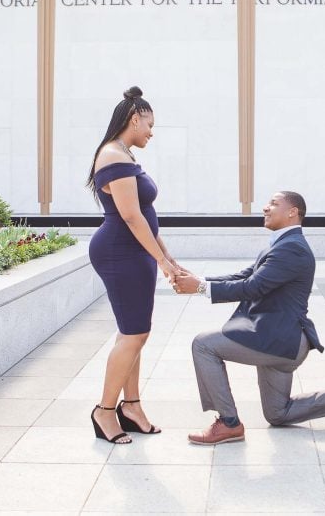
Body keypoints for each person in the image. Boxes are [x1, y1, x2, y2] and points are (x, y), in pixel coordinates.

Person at [172, 190, 325, 445]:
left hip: (278, 340)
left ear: (292, 212)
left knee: (204, 344)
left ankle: (229, 423)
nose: (265, 208)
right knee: (278, 414)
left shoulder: (292, 249)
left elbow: (252, 287)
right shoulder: (283, 245)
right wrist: (199, 281)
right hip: (279, 339)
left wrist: (198, 288)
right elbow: (243, 277)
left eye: (273, 204)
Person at [86, 86, 181, 444]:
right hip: (120, 252)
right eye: (149, 124)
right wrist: (162, 261)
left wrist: (167, 258)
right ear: (134, 117)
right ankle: (105, 411)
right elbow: (129, 215)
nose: (151, 132)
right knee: (134, 333)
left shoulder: (122, 154)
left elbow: (145, 215)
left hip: (134, 251)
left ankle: (132, 406)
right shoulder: (113, 156)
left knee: (134, 331)